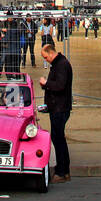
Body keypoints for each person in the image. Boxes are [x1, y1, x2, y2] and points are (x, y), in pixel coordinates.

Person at [40, 40, 73, 183]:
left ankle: (62, 171)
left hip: (60, 108)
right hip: (57, 106)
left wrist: (46, 83)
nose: (45, 60)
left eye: (45, 57)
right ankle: (63, 170)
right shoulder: (59, 64)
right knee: (58, 138)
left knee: (58, 139)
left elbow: (60, 85)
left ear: (51, 53)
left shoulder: (62, 65)